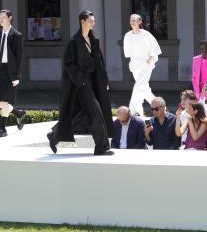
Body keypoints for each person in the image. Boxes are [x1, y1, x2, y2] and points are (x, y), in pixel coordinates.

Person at [47, 10, 113, 156]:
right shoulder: (74, 42)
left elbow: (100, 62)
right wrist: (81, 80)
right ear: (82, 22)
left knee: (83, 115)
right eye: (91, 21)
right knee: (97, 114)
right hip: (81, 84)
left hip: (94, 82)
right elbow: (68, 63)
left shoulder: (93, 40)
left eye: (93, 21)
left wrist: (104, 80)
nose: (93, 23)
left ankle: (55, 135)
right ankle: (102, 147)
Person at [0, 9, 25, 138]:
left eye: (3, 17)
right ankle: (18, 113)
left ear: (9, 18)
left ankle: (3, 129)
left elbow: (19, 57)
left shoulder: (16, 35)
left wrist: (17, 76)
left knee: (5, 101)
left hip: (11, 72)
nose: (0, 20)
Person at [123, 13, 161, 118]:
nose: (133, 23)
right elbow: (128, 53)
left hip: (146, 65)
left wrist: (150, 59)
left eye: (135, 20)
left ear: (140, 22)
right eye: (131, 20)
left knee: (139, 85)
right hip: (135, 66)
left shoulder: (146, 34)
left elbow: (155, 48)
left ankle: (130, 111)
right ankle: (159, 107)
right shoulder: (127, 35)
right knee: (143, 88)